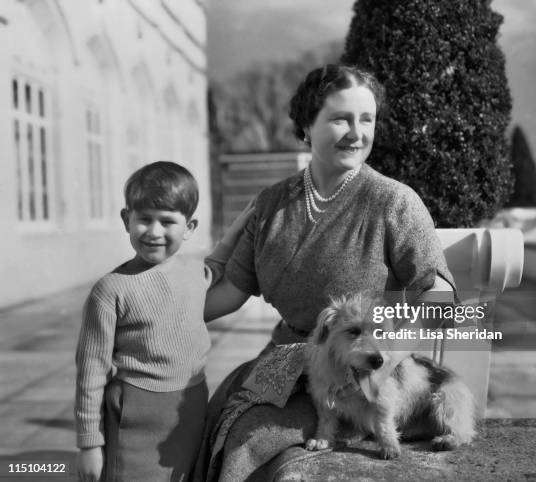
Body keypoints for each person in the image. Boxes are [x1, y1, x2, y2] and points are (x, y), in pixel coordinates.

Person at [195, 64, 456, 481]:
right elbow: (230, 291)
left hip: (368, 370)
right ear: (305, 127)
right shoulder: (271, 204)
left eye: (366, 119)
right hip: (285, 364)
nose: (356, 132)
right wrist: (155, 316)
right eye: (340, 119)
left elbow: (436, 288)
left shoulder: (394, 202)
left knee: (254, 441)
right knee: (218, 422)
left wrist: (396, 346)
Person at [74, 161, 253, 482]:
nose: (154, 232)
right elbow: (90, 372)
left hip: (190, 405)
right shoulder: (109, 290)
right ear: (126, 219)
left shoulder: (194, 273)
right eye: (144, 219)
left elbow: (218, 262)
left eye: (167, 221)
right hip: (133, 418)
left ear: (189, 228)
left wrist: (239, 227)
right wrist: (89, 444)